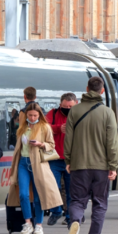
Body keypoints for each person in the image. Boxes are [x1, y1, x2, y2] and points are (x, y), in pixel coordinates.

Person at [64, 76, 118, 234]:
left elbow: (68, 139)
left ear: (87, 88)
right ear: (102, 91)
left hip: (79, 165)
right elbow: (112, 142)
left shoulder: (75, 111)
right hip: (101, 167)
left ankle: (75, 220)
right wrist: (113, 165)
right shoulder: (107, 112)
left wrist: (68, 160)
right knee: (100, 203)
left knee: (78, 201)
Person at [7, 104, 63, 234]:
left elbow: (51, 145)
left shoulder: (44, 127)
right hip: (23, 162)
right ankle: (28, 223)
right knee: (23, 194)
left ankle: (39, 225)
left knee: (38, 197)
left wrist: (41, 144)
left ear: (39, 115)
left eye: (35, 115)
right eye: (30, 115)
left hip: (38, 163)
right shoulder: (22, 127)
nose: (32, 118)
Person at [45, 93, 77, 226]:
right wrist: (58, 128)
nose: (67, 108)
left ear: (76, 104)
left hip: (72, 159)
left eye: (70, 106)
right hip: (55, 157)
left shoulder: (80, 115)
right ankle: (56, 211)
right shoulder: (52, 114)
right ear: (60, 105)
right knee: (52, 187)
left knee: (71, 190)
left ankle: (70, 217)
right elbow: (43, 128)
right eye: (65, 106)